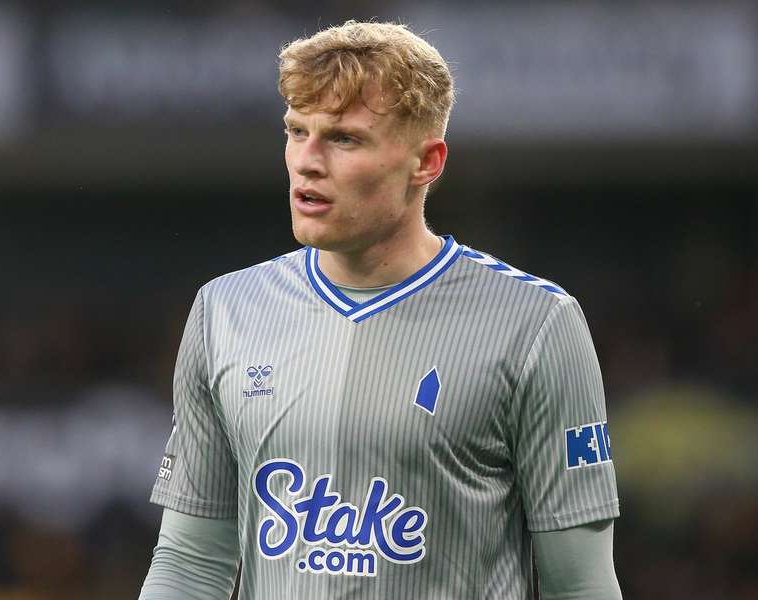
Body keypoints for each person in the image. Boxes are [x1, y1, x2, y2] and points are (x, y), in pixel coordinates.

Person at [139, 20, 622, 600]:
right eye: (296, 131)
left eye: (344, 139)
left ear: (427, 162)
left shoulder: (536, 324)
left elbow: (580, 585)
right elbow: (190, 563)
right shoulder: (224, 310)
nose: (307, 161)